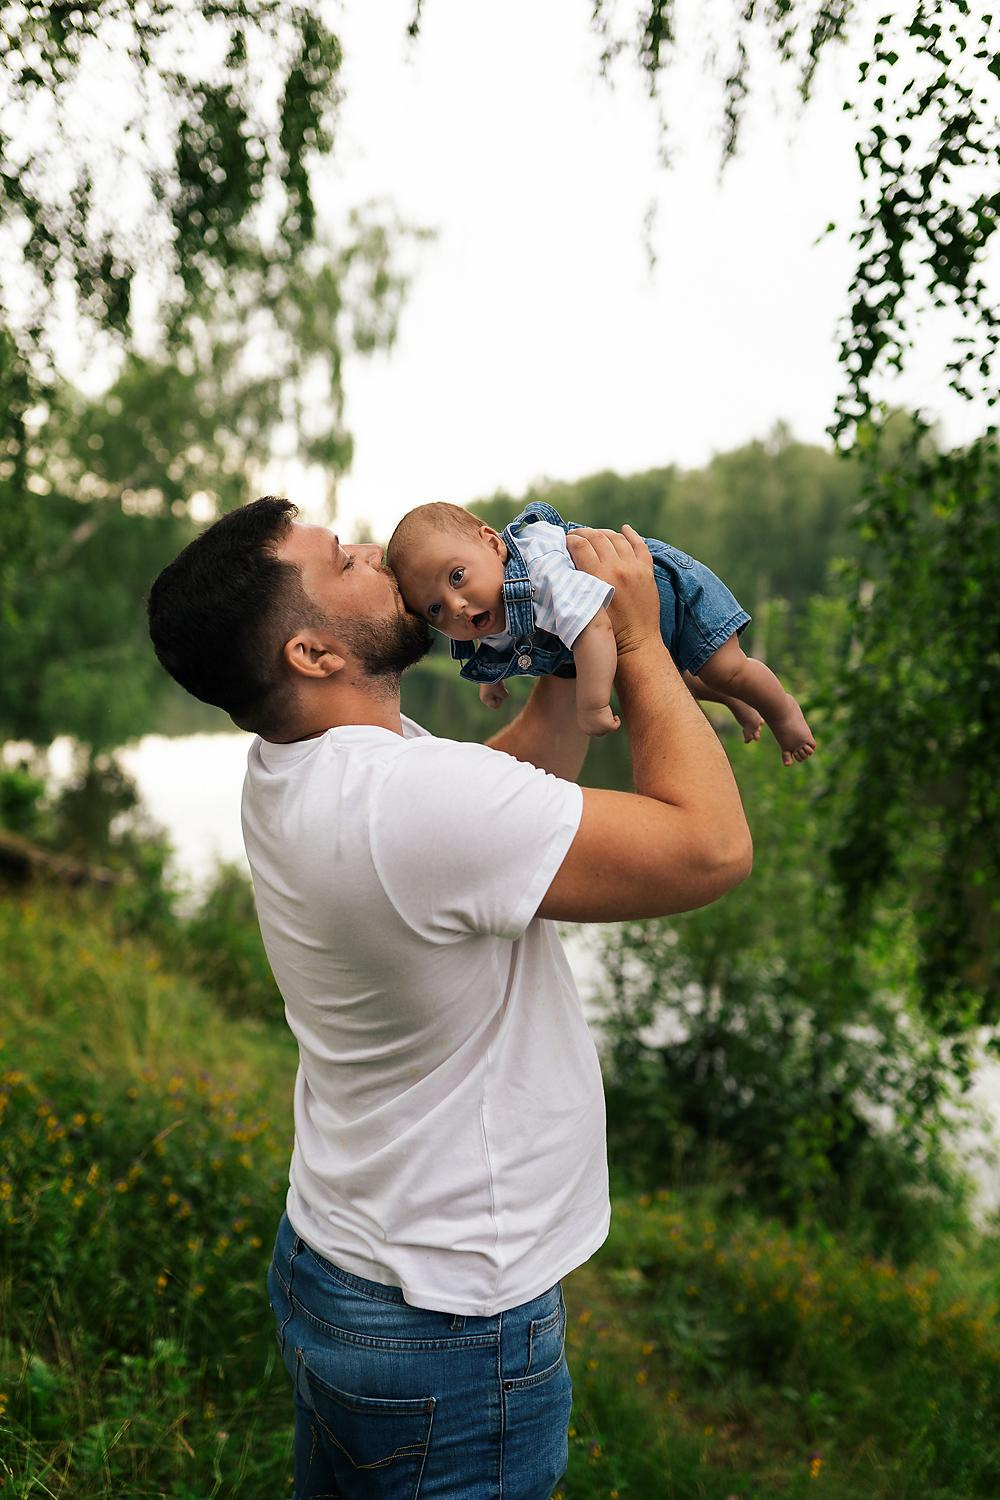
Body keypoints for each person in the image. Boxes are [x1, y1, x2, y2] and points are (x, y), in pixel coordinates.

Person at [146, 495, 752, 1500]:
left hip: (345, 1260)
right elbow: (709, 850)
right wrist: (638, 637)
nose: (372, 551)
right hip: (449, 1325)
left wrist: (558, 640)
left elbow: (492, 814)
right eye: (342, 560)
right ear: (313, 653)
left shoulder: (300, 764)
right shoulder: (409, 805)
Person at [386, 498, 816, 763]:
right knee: (685, 683)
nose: (457, 606)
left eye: (457, 576)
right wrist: (494, 679)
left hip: (668, 591)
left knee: (728, 669)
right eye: (436, 609)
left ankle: (785, 713)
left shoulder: (541, 570)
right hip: (633, 621)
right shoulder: (487, 603)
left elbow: (592, 625)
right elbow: (499, 640)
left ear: (493, 543)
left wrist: (591, 706)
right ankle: (742, 707)